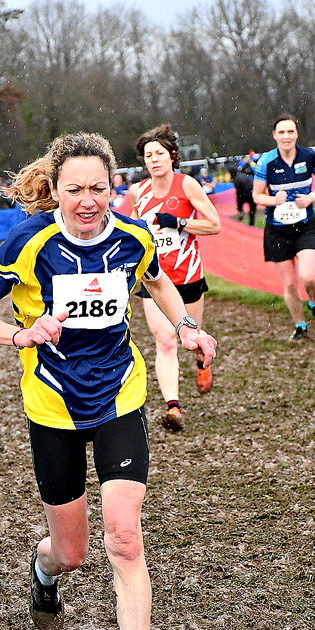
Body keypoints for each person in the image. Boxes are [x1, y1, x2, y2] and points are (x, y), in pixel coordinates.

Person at [0, 132, 217, 630]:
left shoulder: (132, 236)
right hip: (52, 406)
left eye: (98, 188)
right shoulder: (28, 242)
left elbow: (156, 280)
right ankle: (43, 571)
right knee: (72, 553)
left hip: (119, 395)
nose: (87, 201)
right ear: (55, 189)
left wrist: (184, 325)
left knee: (124, 537)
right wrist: (20, 334)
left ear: (112, 186)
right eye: (74, 189)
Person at [128, 124, 221, 431]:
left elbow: (214, 224)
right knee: (165, 340)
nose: (154, 159)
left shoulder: (187, 185)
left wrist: (180, 223)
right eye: (148, 155)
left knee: (191, 336)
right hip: (154, 278)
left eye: (159, 153)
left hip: (188, 275)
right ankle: (173, 407)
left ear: (172, 156)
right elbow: (131, 230)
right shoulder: (137, 192)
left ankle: (201, 363)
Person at [252, 115, 315, 342]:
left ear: (296, 134)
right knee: (289, 283)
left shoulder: (309, 156)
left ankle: (314, 303)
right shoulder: (266, 161)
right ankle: (300, 326)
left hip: (305, 226)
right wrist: (273, 200)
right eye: (282, 132)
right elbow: (257, 195)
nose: (286, 136)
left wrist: (312, 197)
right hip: (277, 230)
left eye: (290, 131)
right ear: (274, 135)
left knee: (308, 277)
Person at [233, 159, 256, 225]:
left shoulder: (238, 177)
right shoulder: (247, 174)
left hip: (244, 193)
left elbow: (238, 191)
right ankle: (251, 222)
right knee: (252, 210)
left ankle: (241, 212)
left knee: (241, 202)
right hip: (251, 192)